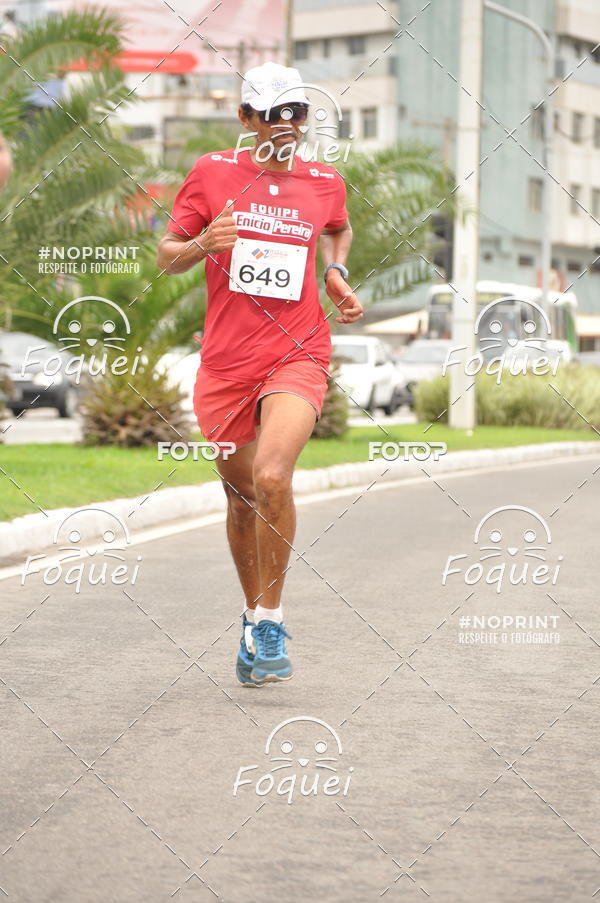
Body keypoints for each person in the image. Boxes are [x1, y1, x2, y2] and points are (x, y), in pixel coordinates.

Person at [157, 62, 363, 687]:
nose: (285, 125)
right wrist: (201, 246)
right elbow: (167, 257)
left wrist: (335, 271)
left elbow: (340, 226)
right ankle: (251, 614)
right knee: (243, 496)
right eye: (271, 114)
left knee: (273, 476)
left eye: (295, 113)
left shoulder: (325, 181)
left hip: (298, 351)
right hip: (225, 364)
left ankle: (271, 619)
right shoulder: (213, 174)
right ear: (245, 119)